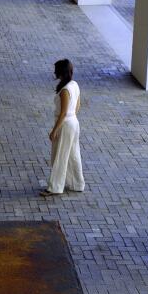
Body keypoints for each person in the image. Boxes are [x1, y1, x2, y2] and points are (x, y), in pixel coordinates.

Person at [40, 58, 86, 196]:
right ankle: (77, 184)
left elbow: (63, 113)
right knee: (73, 154)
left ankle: (55, 187)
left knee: (60, 155)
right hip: (74, 123)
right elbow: (78, 106)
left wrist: (54, 130)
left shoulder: (65, 90)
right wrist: (72, 117)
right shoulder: (75, 85)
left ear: (61, 73)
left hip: (65, 125)